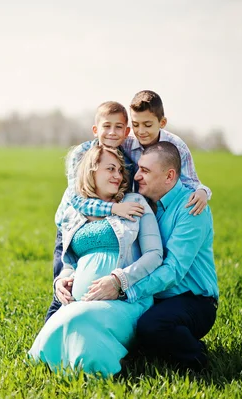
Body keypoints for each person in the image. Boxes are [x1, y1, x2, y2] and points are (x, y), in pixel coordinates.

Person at [46, 92, 211, 321]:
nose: (113, 133)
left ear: (126, 132)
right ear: (96, 130)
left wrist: (203, 191)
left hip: (114, 223)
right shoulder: (83, 154)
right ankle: (53, 323)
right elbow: (77, 199)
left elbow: (187, 180)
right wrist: (114, 209)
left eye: (120, 128)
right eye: (136, 125)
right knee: (63, 287)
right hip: (73, 224)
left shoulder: (140, 151)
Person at [28, 144, 163, 377]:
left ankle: (103, 371)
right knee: (59, 322)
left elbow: (155, 255)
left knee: (77, 318)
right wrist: (63, 279)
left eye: (120, 171)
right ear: (91, 170)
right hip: (81, 301)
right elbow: (70, 261)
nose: (118, 175)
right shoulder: (77, 212)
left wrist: (119, 280)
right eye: (110, 168)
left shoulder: (134, 203)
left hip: (126, 301)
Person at [123, 141, 219, 371]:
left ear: (169, 176)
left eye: (145, 171)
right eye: (139, 169)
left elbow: (173, 271)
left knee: (152, 326)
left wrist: (126, 289)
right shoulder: (144, 205)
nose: (137, 176)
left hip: (193, 300)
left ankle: (196, 357)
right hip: (156, 296)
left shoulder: (192, 208)